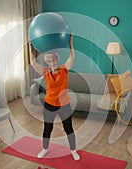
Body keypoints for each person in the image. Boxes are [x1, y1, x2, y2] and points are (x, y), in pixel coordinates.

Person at [28, 33, 80, 161]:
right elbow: (33, 62)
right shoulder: (45, 72)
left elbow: (72, 56)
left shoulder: (64, 69)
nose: (51, 63)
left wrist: (71, 41)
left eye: (53, 60)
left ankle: (73, 150)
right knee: (47, 128)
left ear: (57, 59)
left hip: (64, 104)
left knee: (68, 128)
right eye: (49, 61)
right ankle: (45, 149)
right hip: (49, 104)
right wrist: (29, 47)